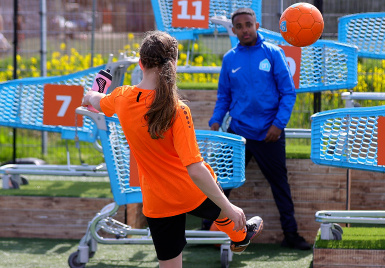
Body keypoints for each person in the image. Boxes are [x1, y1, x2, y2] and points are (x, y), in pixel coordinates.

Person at [81, 31, 263, 268]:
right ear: (173, 64)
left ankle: (239, 235)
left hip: (158, 202)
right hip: (191, 191)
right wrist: (229, 207)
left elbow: (95, 99)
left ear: (140, 63)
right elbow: (195, 170)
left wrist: (89, 96)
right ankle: (240, 236)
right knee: (213, 190)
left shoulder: (122, 97)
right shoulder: (178, 110)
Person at [208, 8, 311, 251]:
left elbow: (288, 93)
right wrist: (215, 119)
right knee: (221, 183)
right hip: (238, 132)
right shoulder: (230, 59)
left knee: (280, 186)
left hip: (269, 134)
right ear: (233, 31)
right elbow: (224, 95)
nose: (245, 29)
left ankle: (291, 235)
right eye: (240, 26)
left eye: (249, 24)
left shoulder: (273, 53)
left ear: (257, 25)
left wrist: (278, 125)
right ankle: (208, 232)